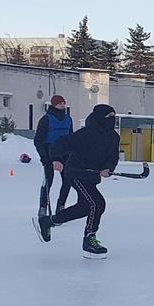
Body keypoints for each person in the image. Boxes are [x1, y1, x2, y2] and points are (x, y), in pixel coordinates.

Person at [35, 104, 119, 258]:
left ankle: (49, 221)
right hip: (76, 173)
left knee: (84, 207)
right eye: (108, 116)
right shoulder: (85, 134)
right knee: (97, 203)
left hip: (92, 176)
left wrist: (108, 167)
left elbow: (113, 157)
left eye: (113, 116)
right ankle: (89, 239)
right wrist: (56, 159)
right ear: (100, 118)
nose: (111, 119)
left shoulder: (113, 137)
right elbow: (60, 144)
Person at [33, 95, 74, 215]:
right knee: (48, 181)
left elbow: (71, 137)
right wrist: (44, 157)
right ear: (54, 104)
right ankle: (43, 207)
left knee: (68, 181)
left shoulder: (68, 119)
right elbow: (38, 140)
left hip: (65, 153)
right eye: (59, 103)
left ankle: (61, 205)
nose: (62, 105)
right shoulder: (46, 119)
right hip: (49, 152)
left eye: (63, 103)